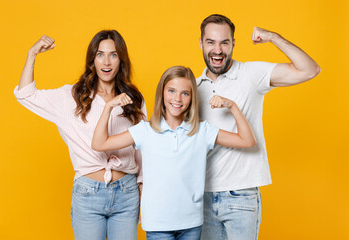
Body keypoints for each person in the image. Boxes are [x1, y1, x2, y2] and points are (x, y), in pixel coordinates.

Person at [91, 66, 257, 240]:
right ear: (162, 93)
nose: (177, 99)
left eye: (185, 93)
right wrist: (109, 107)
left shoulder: (202, 131)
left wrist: (232, 106)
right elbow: (99, 143)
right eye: (171, 91)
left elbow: (247, 140)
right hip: (158, 223)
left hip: (191, 223)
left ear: (192, 97)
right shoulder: (145, 130)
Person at [196, 14, 321, 240]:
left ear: (233, 44)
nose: (218, 50)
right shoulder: (192, 89)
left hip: (241, 195)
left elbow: (310, 69)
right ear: (200, 44)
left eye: (224, 42)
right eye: (211, 42)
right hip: (203, 196)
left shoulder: (251, 74)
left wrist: (273, 37)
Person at [14, 30, 147, 240]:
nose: (106, 61)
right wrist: (32, 54)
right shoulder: (71, 96)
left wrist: (141, 186)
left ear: (121, 60)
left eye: (113, 55)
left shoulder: (133, 99)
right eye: (100, 54)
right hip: (88, 194)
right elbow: (25, 94)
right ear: (92, 59)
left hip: (126, 193)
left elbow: (141, 148)